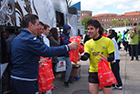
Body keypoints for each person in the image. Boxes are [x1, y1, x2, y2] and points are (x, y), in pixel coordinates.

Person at [10, 14, 78, 94]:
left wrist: (36, 60)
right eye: (37, 24)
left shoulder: (17, 38)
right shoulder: (29, 39)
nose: (39, 27)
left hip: (15, 78)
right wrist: (68, 47)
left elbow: (21, 57)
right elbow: (48, 51)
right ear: (30, 25)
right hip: (26, 80)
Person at [80, 19, 115, 94]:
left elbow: (112, 57)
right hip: (93, 72)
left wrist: (106, 58)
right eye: (88, 29)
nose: (89, 31)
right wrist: (79, 57)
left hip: (105, 71)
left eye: (91, 29)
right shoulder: (88, 43)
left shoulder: (107, 41)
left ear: (98, 29)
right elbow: (86, 56)